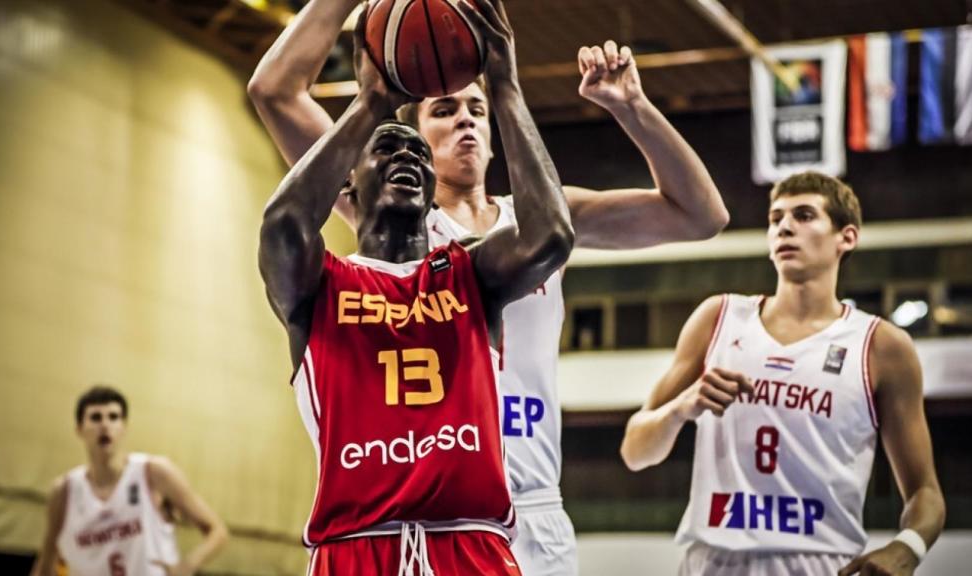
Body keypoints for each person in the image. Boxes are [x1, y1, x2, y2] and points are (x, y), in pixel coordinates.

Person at [247, 1, 729, 572]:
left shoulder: (537, 225)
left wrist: (634, 108)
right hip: (415, 498)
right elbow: (274, 92)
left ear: (500, 135)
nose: (466, 120)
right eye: (445, 109)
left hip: (527, 502)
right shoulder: (394, 217)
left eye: (477, 108)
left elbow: (701, 216)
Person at [256, 1, 572, 573]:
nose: (408, 155)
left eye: (420, 155)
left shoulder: (470, 275)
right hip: (355, 544)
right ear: (349, 180)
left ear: (432, 196)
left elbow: (550, 236)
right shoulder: (320, 285)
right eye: (389, 148)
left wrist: (506, 87)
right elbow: (282, 225)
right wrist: (370, 104)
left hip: (470, 542)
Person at [620, 172, 946, 576]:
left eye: (805, 215)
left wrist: (908, 548)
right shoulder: (718, 318)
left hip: (822, 564)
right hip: (714, 560)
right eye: (776, 218)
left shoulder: (880, 346)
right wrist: (682, 408)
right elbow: (634, 451)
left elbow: (925, 492)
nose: (785, 227)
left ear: (846, 237)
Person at [30, 386, 228, 576]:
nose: (105, 425)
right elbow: (46, 564)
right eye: (96, 417)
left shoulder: (153, 472)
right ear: (79, 429)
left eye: (113, 417)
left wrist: (187, 565)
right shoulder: (64, 491)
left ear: (124, 427)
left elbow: (217, 531)